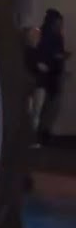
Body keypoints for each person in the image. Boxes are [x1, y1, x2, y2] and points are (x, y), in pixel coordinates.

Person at [36, 8, 69, 146]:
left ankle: (43, 133)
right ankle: (42, 134)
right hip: (48, 76)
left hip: (51, 75)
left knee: (48, 107)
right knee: (45, 107)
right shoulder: (50, 36)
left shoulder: (50, 36)